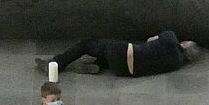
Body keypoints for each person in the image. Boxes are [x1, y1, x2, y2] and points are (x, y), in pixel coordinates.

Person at [35, 30, 200, 77]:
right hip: (125, 72)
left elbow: (150, 40)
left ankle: (55, 64)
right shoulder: (177, 64)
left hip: (125, 52)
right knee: (106, 53)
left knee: (87, 43)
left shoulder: (171, 38)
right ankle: (97, 65)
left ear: (184, 44)